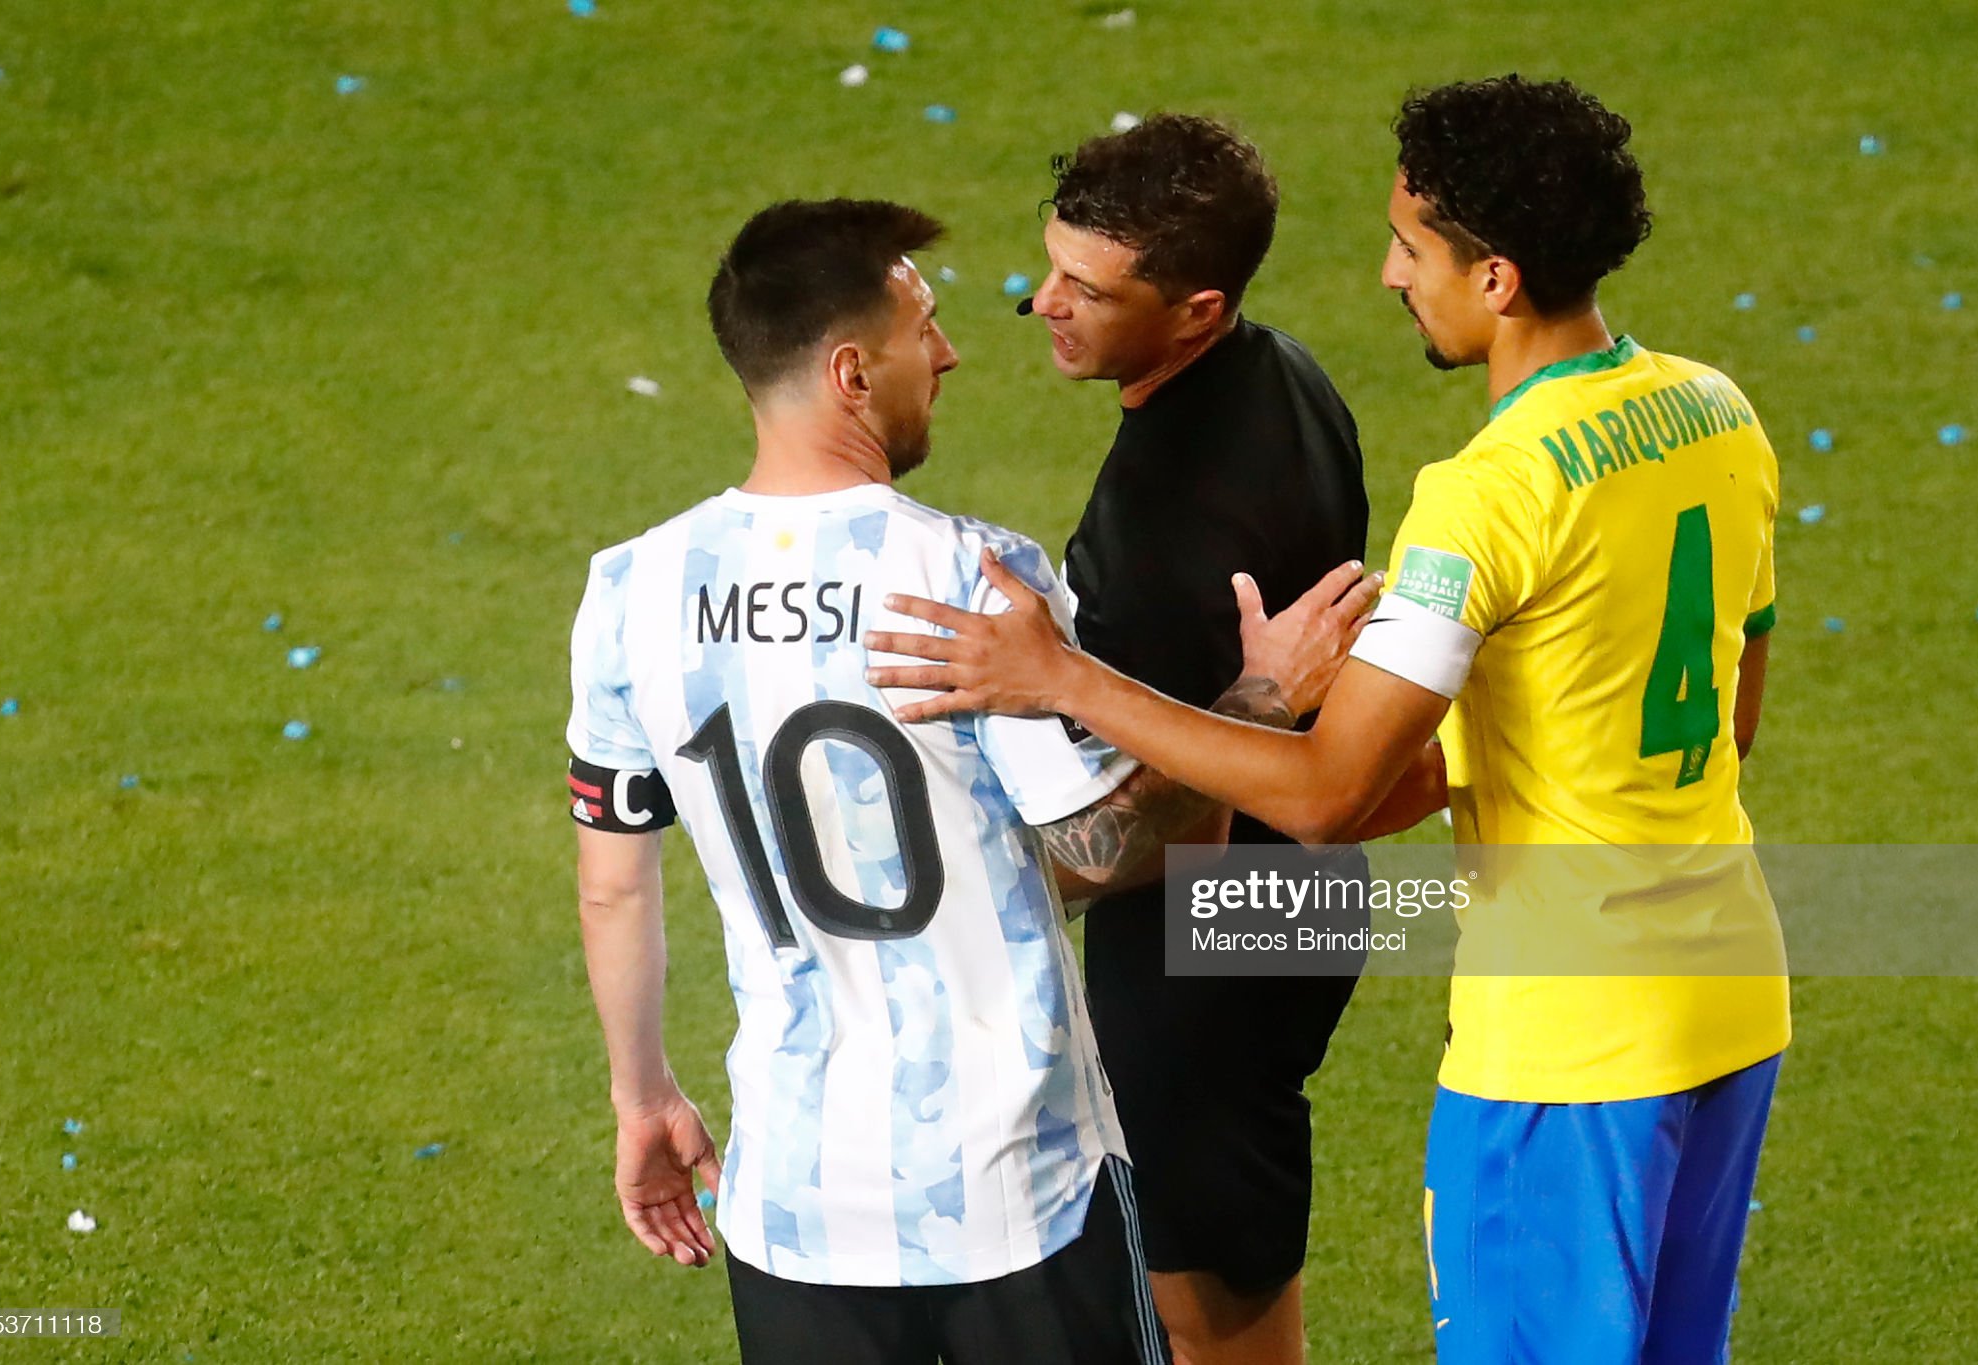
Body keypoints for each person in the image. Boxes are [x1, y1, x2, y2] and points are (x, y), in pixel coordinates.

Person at [867, 77, 1789, 1365]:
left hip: (1570, 1042)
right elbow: (1723, 714)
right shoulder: (1713, 409)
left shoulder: (1489, 496)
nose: (1384, 274)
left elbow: (1322, 796)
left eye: (1411, 248)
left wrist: (1066, 681)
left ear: (1499, 279)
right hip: (1729, 995)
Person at [567, 198, 1371, 1365]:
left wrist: (642, 1101)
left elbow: (613, 889)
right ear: (851, 371)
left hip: (793, 1202)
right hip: (1016, 1189)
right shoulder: (969, 578)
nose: (946, 353)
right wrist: (1259, 699)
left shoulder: (628, 592)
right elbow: (1105, 847)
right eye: (923, 326)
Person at [1013, 112, 1372, 1365]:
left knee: (1197, 1292)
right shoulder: (1288, 375)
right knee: (1240, 1246)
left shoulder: (1167, 518)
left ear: (1195, 309)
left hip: (1204, 936)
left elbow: (1164, 837)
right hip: (1303, 894)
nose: (1040, 302)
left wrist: (1000, 881)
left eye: (1085, 289)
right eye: (1049, 264)